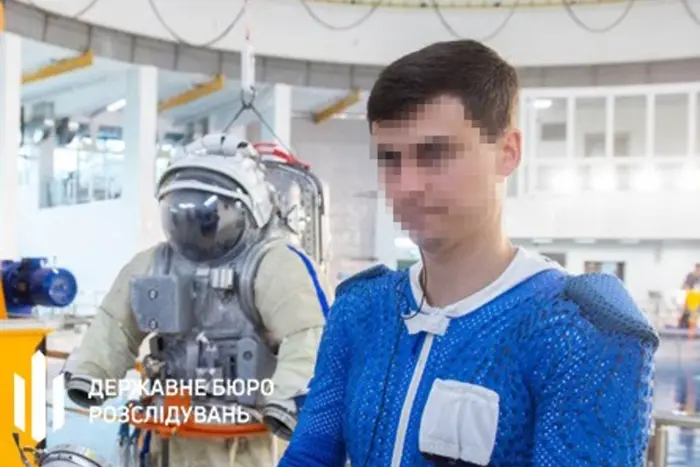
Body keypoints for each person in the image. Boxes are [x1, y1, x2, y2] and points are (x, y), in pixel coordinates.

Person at [278, 40, 658, 467]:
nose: (407, 186)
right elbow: (308, 456)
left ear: (508, 151)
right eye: (390, 159)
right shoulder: (361, 311)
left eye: (435, 154)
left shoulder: (578, 333)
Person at [63, 134, 332, 467]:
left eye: (207, 213)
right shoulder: (156, 263)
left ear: (251, 209)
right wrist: (92, 374)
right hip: (166, 430)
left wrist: (289, 401)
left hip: (239, 442)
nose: (194, 225)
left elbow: (310, 334)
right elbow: (115, 324)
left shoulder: (272, 264)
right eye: (181, 212)